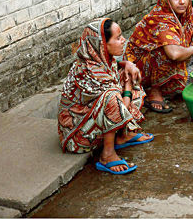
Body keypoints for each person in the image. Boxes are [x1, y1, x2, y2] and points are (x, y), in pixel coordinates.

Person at [58, 18, 153, 175]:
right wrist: (128, 87)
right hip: (77, 136)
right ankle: (107, 155)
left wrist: (127, 64)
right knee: (112, 97)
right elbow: (121, 106)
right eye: (117, 38)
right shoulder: (91, 72)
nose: (123, 40)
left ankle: (122, 136)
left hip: (91, 121)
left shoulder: (100, 59)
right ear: (102, 44)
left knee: (128, 74)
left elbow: (116, 69)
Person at [125, 0, 193, 113]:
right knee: (165, 53)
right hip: (140, 66)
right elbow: (175, 54)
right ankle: (155, 90)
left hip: (176, 53)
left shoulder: (189, 14)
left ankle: (172, 84)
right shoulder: (160, 20)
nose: (182, 2)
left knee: (187, 49)